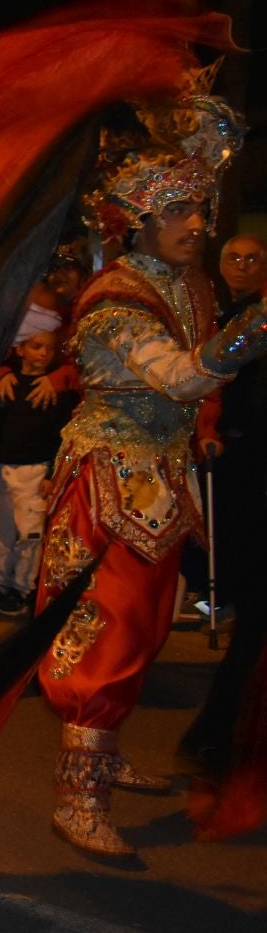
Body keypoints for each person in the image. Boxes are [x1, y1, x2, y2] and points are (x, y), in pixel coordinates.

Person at [34, 91, 267, 857]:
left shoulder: (190, 286)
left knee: (151, 623)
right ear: (138, 223)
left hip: (161, 475)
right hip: (113, 479)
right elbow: (180, 376)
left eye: (200, 211)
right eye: (179, 214)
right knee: (110, 631)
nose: (197, 226)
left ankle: (105, 753)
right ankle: (79, 796)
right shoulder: (114, 302)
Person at [179, 231, 267, 773]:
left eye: (253, 258)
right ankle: (222, 736)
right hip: (239, 453)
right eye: (233, 257)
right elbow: (205, 375)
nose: (242, 265)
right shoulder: (215, 308)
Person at [0, 320, 78, 616]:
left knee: (28, 533)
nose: (44, 353)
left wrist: (51, 474)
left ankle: (22, 589)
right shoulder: (5, 383)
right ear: (19, 350)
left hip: (33, 469)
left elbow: (63, 434)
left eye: (49, 348)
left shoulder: (56, 389)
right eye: (36, 346)